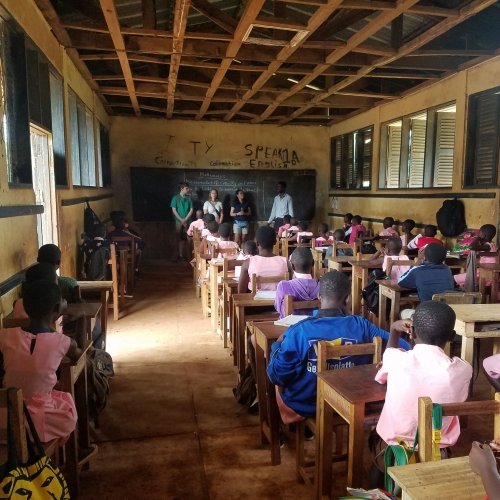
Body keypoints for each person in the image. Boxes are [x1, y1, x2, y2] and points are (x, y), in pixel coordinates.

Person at [267, 271, 410, 422]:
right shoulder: (362, 326)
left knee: (274, 369)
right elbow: (404, 348)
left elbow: (277, 376)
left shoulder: (299, 331)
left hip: (307, 406)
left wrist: (276, 345)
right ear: (347, 298)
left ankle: (279, 435)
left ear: (319, 297)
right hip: (351, 402)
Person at [374, 301, 472, 454]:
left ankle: (381, 472)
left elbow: (384, 368)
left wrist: (394, 329)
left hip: (396, 447)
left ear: (411, 332)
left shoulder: (396, 359)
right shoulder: (463, 370)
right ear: (452, 336)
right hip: (437, 448)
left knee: (376, 448)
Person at [0, 280, 82, 442]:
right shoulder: (63, 342)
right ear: (58, 309)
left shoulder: (5, 335)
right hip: (38, 420)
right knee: (69, 412)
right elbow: (79, 355)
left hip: (6, 418)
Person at [238, 226, 290, 293]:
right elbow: (289, 288)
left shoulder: (248, 262)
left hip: (255, 302)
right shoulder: (285, 262)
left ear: (256, 243)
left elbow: (241, 292)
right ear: (275, 242)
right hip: (279, 302)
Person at [274, 247, 320, 319]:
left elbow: (278, 308)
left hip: (289, 328)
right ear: (313, 263)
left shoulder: (283, 286)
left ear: (292, 266)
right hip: (313, 326)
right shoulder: (322, 286)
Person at [454, 224, 497, 288]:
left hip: (484, 275)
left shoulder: (487, 246)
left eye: (480, 233)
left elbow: (471, 246)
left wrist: (478, 238)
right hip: (489, 274)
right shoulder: (493, 244)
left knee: (455, 278)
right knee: (464, 275)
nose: (478, 234)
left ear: (483, 235)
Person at [170, 181, 193, 261]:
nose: (188, 190)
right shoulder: (175, 198)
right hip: (178, 222)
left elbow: (191, 210)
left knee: (188, 239)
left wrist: (185, 219)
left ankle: (189, 256)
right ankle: (180, 255)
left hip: (188, 222)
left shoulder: (189, 198)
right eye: (186, 188)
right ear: (181, 189)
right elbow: (174, 210)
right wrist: (181, 220)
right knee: (180, 239)